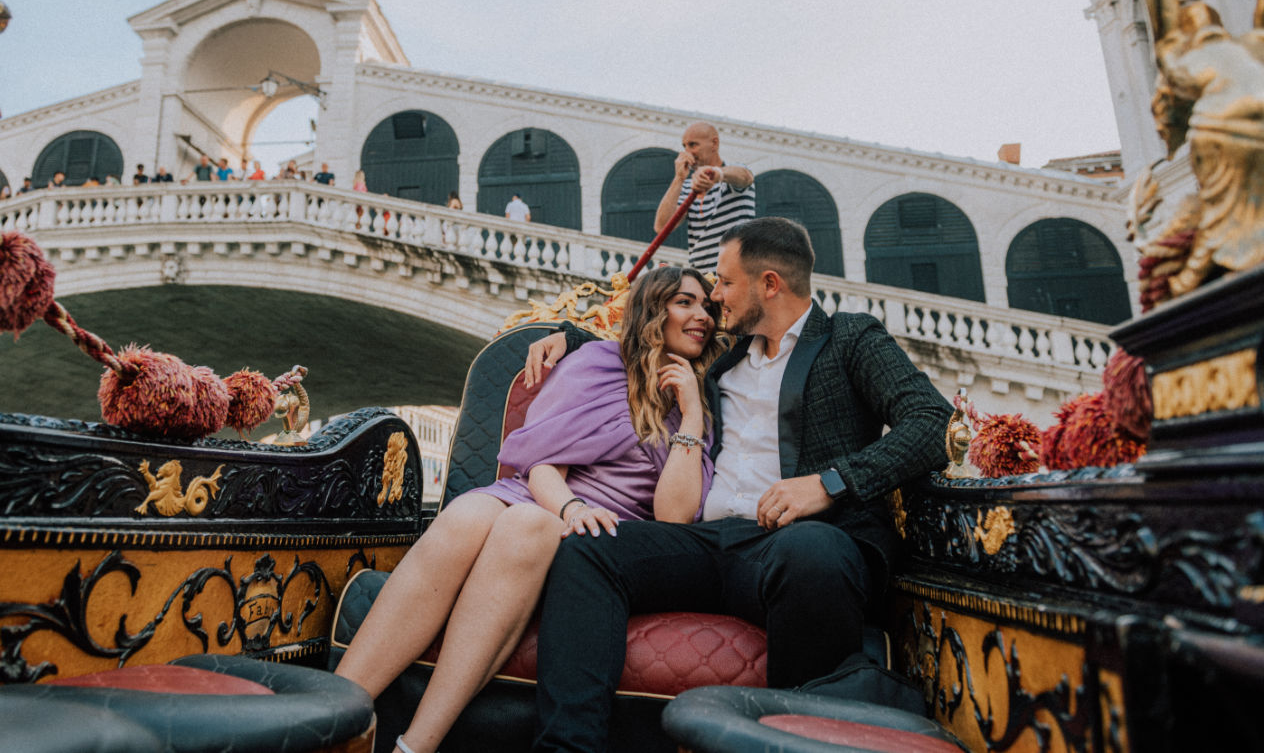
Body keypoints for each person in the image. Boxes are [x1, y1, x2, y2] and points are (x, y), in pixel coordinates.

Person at [524, 217, 951, 752]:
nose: (713, 297)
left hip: (797, 544)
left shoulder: (850, 338)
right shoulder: (723, 357)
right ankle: (567, 747)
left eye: (724, 283)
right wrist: (566, 336)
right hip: (707, 542)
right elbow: (647, 334)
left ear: (769, 283)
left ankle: (788, 741)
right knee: (589, 550)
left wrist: (829, 484)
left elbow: (932, 422)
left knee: (811, 548)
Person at [336, 266, 725, 753]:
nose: (702, 315)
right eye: (685, 302)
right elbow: (542, 464)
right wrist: (571, 507)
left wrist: (688, 412)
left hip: (607, 536)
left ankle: (416, 745)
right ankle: (333, 717)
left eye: (708, 306)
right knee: (465, 515)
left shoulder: (703, 400)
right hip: (550, 495)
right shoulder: (597, 363)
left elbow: (673, 517)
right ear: (652, 309)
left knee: (524, 525)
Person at [655, 121, 756, 272]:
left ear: (714, 143)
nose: (688, 153)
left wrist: (717, 174)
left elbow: (745, 177)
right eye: (685, 146)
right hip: (703, 278)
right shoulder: (688, 187)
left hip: (736, 273)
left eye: (693, 145)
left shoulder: (732, 175)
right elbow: (661, 227)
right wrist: (679, 179)